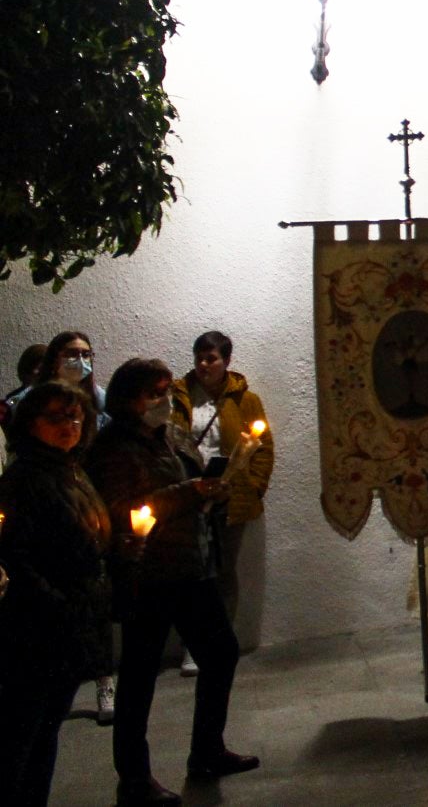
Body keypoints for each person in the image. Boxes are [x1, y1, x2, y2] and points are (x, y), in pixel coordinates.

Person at [86, 358, 256, 807]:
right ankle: (135, 779)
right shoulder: (112, 448)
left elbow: (185, 483)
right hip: (148, 574)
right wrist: (189, 493)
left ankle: (206, 750)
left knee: (220, 653)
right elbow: (125, 510)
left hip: (190, 566)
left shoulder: (166, 437)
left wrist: (210, 492)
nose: (164, 400)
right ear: (128, 399)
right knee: (140, 676)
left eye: (166, 390)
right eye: (153, 392)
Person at [0, 382, 114, 807]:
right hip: (38, 629)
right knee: (20, 735)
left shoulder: (70, 469)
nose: (69, 425)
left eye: (75, 417)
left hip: (73, 623)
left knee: (47, 729)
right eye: (56, 417)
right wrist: (59, 606)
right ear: (31, 423)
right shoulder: (25, 478)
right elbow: (15, 558)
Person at [168, 331, 273, 661]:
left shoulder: (245, 400)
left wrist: (253, 486)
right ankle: (192, 643)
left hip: (229, 495)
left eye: (211, 358)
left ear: (226, 361)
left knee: (224, 570)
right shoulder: (179, 397)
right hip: (189, 494)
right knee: (192, 571)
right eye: (199, 357)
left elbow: (263, 447)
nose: (203, 364)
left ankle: (217, 644)